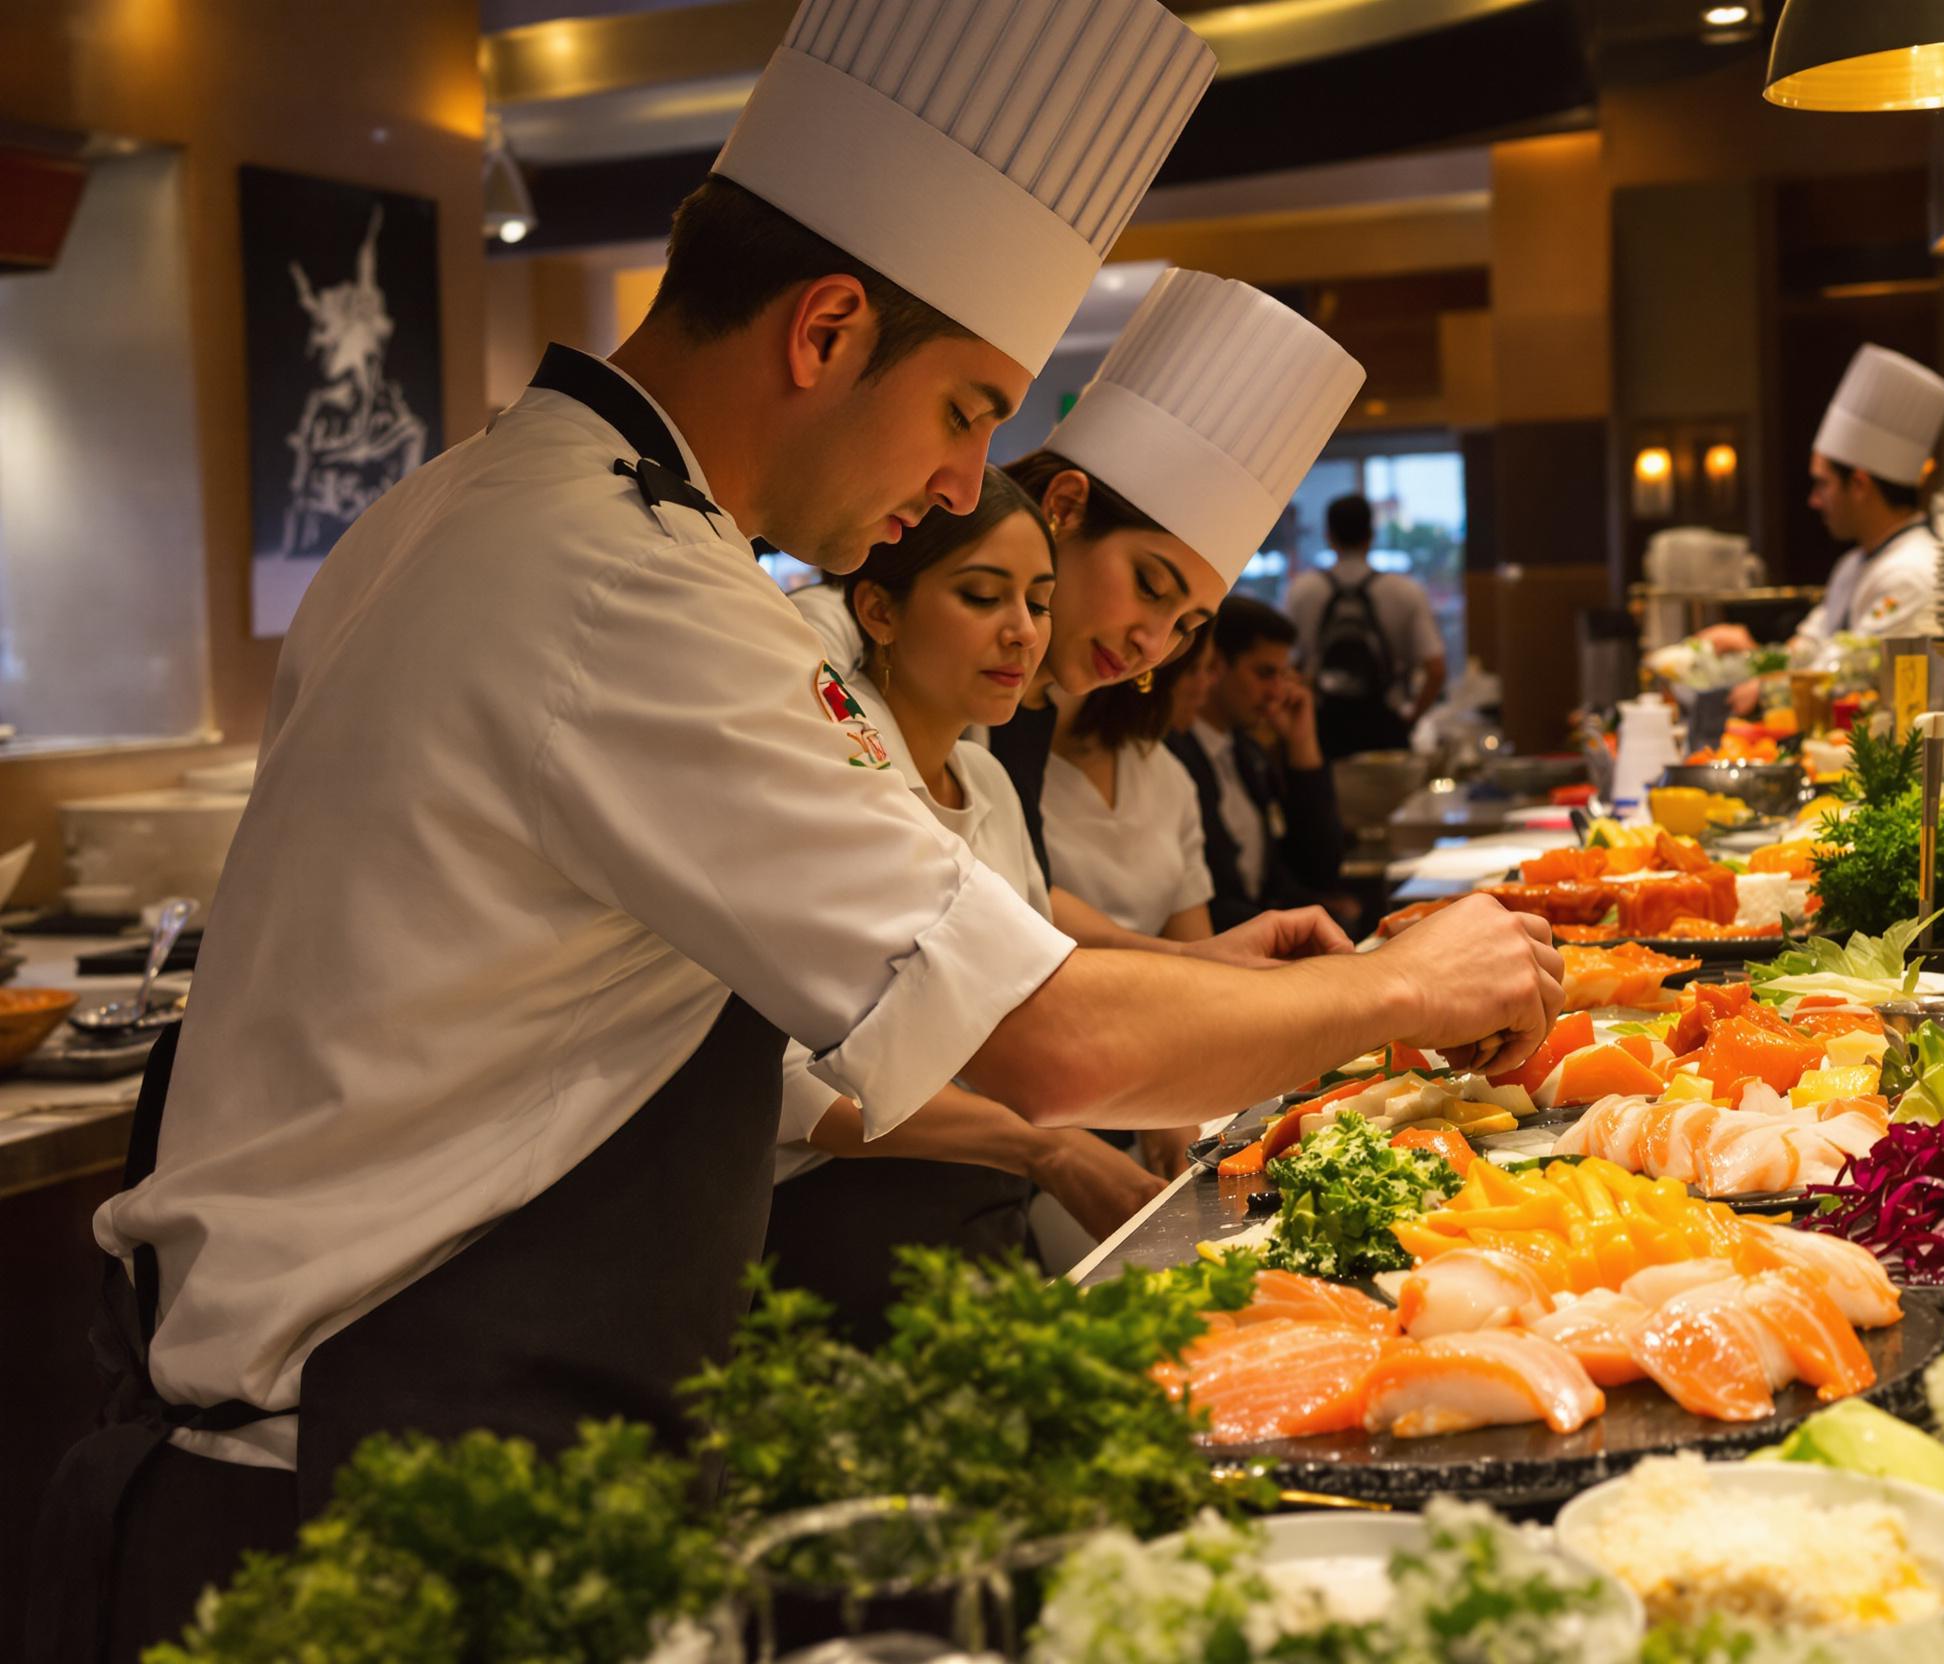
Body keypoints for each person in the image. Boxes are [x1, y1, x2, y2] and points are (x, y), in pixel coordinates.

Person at [32, 7, 1564, 1659]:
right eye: (969, 408)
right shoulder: (625, 585)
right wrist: (1405, 984)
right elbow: (1047, 1043)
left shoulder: (471, 502)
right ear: (829, 329)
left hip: (400, 1440)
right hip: (351, 1492)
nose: (970, 476)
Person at [767, 468, 1163, 1345]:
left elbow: (1038, 991)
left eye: (1040, 601)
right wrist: (1043, 1147)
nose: (1022, 633)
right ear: (878, 612)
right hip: (841, 1234)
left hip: (984, 1204)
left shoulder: (984, 778)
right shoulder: (835, 791)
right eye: (983, 596)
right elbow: (791, 1088)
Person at [1736, 345, 1944, 675]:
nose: (1814, 500)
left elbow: (1847, 673)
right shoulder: (1851, 566)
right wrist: (1751, 656)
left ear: (1859, 485)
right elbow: (1812, 644)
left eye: (1822, 484)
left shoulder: (1913, 572)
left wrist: (1759, 669)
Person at [1166, 594, 1345, 932]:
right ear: (1215, 667)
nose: (1278, 692)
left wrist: (1302, 744)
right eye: (1265, 674)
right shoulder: (1172, 755)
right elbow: (1214, 903)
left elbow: (1321, 868)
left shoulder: (1247, 753)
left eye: (1284, 675)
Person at [1043, 629, 1218, 942]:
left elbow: (1194, 941)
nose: (1153, 644)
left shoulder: (1161, 769)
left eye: (1183, 624)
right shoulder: (990, 751)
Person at [1286, 492, 1447, 758]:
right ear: (1371, 535)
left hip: (1323, 728)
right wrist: (1412, 717)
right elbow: (1436, 669)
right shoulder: (1404, 591)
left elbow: (1288, 666)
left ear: (1329, 536)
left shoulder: (1302, 590)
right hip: (1386, 725)